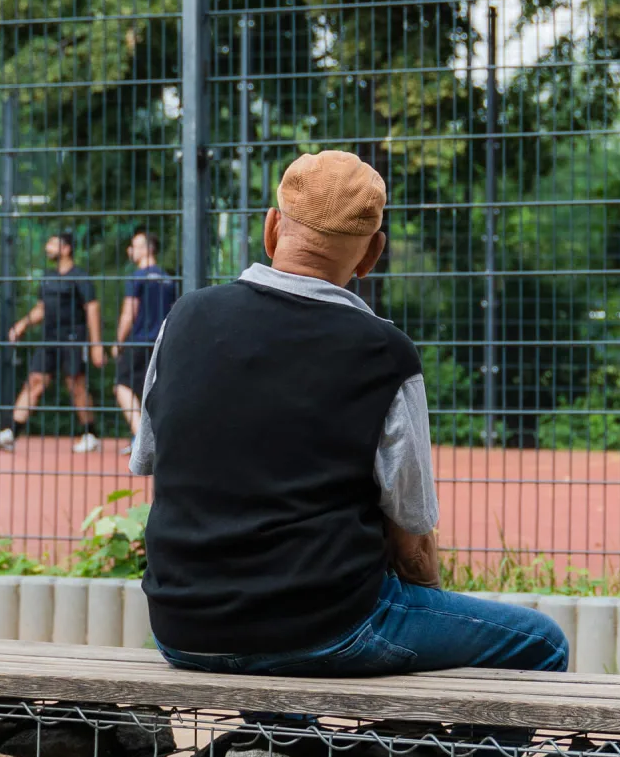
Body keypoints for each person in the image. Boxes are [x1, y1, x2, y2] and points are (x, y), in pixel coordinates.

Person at [129, 150, 568, 675]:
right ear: (371, 255)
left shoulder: (183, 318)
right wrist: (422, 602)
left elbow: (149, 457)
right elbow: (412, 537)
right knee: (543, 642)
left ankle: (282, 751)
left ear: (271, 228)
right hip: (323, 627)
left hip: (180, 629)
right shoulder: (384, 352)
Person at [0, 230, 105, 454]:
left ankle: (90, 434)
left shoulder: (80, 277)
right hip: (49, 338)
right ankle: (10, 433)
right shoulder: (48, 277)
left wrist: (96, 345)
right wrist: (22, 324)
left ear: (66, 248)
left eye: (52, 243)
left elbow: (92, 308)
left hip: (73, 337)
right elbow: (42, 308)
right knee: (35, 381)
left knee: (76, 384)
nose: (47, 247)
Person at [113, 227, 177, 445]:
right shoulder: (168, 279)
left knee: (122, 386)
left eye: (135, 245)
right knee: (153, 390)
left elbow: (129, 312)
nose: (130, 250)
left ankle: (140, 437)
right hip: (161, 343)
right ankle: (153, 438)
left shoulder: (137, 277)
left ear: (146, 249)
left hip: (138, 341)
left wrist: (118, 342)